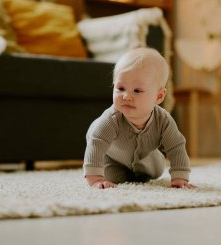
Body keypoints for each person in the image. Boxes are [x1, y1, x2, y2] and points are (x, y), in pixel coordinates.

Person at [83, 47, 195, 189]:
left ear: (159, 96)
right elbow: (97, 144)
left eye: (137, 91)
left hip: (143, 154)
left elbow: (176, 146)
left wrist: (180, 178)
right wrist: (96, 179)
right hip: (109, 155)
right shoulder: (111, 120)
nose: (126, 96)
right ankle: (126, 171)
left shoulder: (163, 120)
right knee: (112, 176)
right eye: (121, 88)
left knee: (156, 170)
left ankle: (138, 168)